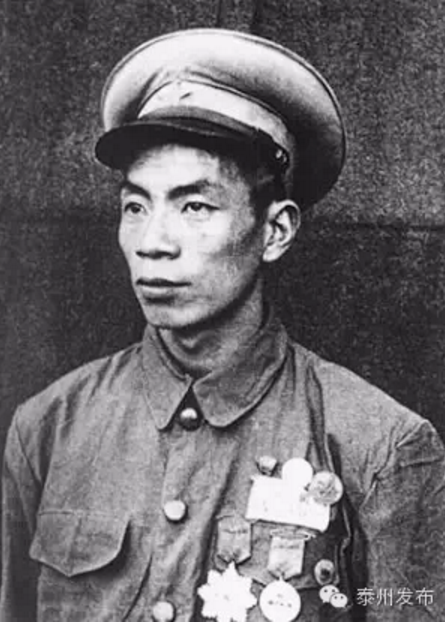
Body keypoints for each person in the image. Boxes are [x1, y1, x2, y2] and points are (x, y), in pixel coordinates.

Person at [1, 28, 444, 622]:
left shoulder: (380, 447)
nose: (153, 242)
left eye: (195, 206)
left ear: (275, 231)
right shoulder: (48, 429)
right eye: (136, 206)